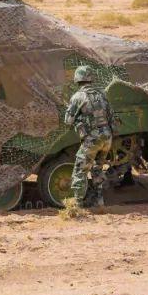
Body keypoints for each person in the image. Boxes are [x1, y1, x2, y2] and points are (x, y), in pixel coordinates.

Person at [63, 65, 115, 207]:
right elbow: (111, 117)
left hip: (92, 140)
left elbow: (68, 121)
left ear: (77, 80)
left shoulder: (78, 96)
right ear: (91, 79)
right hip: (107, 138)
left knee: (80, 170)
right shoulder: (102, 93)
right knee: (97, 169)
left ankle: (77, 205)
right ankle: (99, 201)